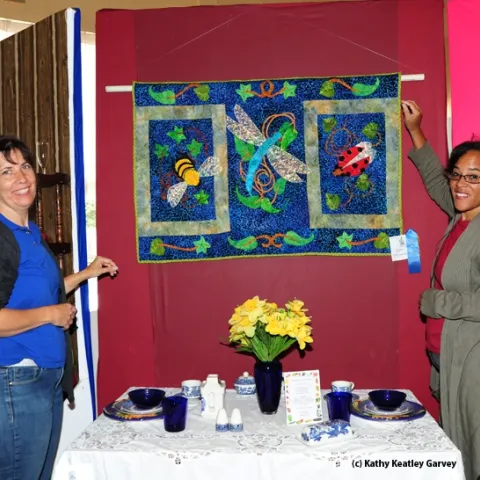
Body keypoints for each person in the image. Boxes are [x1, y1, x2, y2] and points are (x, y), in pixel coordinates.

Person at [0, 136, 118, 479]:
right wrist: (52, 315)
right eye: (6, 172)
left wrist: (86, 273)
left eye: (24, 166)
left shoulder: (29, 232)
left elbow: (42, 292)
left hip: (43, 380)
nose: (21, 178)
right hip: (16, 379)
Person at [402, 100, 480, 480]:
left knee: (473, 447)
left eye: (474, 177)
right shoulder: (461, 218)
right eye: (458, 174)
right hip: (446, 356)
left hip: (473, 361)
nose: (460, 184)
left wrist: (438, 302)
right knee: (457, 443)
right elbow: (436, 181)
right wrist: (416, 130)